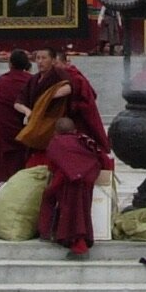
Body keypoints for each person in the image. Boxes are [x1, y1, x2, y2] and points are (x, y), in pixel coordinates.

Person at [38, 101, 110, 257]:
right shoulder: (84, 139)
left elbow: (53, 166)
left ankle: (61, 237)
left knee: (53, 199)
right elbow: (103, 159)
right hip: (87, 178)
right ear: (74, 130)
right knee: (81, 210)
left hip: (67, 179)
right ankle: (75, 240)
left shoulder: (56, 143)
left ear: (56, 131)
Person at [23, 45, 109, 149]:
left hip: (75, 120)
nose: (54, 67)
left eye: (56, 64)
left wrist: (46, 98)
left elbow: (82, 96)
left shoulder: (74, 77)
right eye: (38, 58)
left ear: (65, 63)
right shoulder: (44, 77)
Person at [0, 49, 34, 192]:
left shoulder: (1, 83)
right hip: (27, 135)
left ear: (10, 64)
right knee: (25, 170)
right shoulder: (32, 81)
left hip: (4, 135)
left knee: (2, 173)